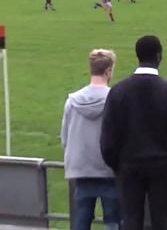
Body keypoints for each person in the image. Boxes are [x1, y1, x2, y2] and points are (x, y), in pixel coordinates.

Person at [100, 35, 167, 230]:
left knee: (131, 220)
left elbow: (108, 137)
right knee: (162, 221)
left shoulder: (118, 91)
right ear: (159, 57)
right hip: (161, 167)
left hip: (129, 165)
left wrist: (118, 165)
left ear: (137, 56)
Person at [61, 49, 120, 230]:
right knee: (114, 222)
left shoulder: (72, 101)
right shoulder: (115, 99)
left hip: (81, 169)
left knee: (80, 222)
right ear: (108, 71)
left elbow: (65, 137)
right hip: (109, 170)